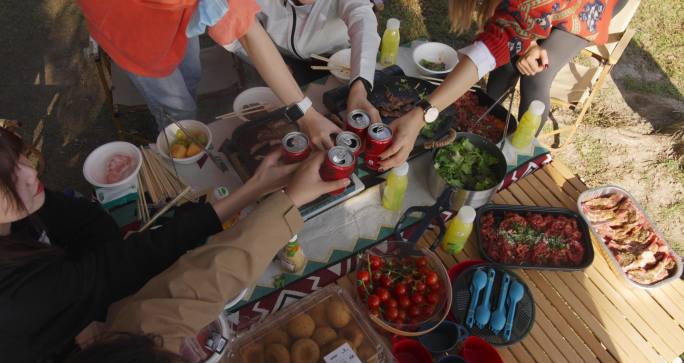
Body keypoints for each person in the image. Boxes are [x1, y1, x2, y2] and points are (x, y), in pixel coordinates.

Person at [0, 126, 345, 363]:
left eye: (17, 158)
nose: (30, 173)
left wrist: (256, 190)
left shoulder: (22, 213)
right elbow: (144, 280)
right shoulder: (20, 298)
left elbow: (108, 247)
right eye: (5, 180)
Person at [378, 0, 620, 170]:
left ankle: (520, 155)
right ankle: (476, 127)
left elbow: (499, 40)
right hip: (542, 8)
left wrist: (422, 114)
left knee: (536, 75)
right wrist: (528, 41)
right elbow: (505, 29)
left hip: (587, 7)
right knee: (508, 63)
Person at [76, 0, 341, 149]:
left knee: (191, 75)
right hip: (129, 29)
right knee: (176, 107)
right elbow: (248, 33)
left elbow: (245, 29)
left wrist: (305, 112)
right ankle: (178, 146)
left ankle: (182, 123)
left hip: (175, 15)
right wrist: (304, 113)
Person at [235, 0, 382, 123]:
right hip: (280, 61)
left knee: (334, 112)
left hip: (336, 61)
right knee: (286, 115)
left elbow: (363, 19)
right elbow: (240, 36)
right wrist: (273, 65)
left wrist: (360, 86)